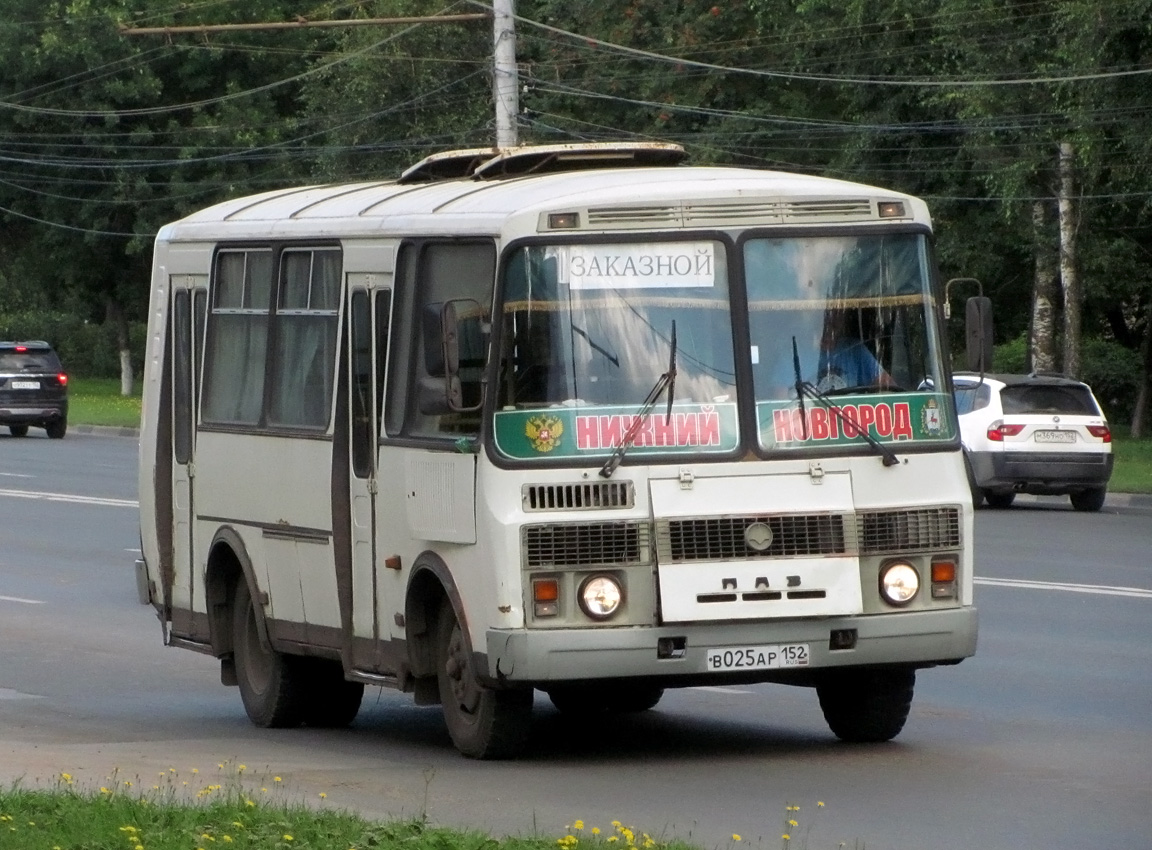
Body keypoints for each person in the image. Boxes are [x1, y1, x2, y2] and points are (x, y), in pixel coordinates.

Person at [814, 312, 894, 392]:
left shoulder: (854, 349)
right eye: (826, 314)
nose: (831, 319)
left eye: (837, 313)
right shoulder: (801, 356)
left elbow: (887, 384)